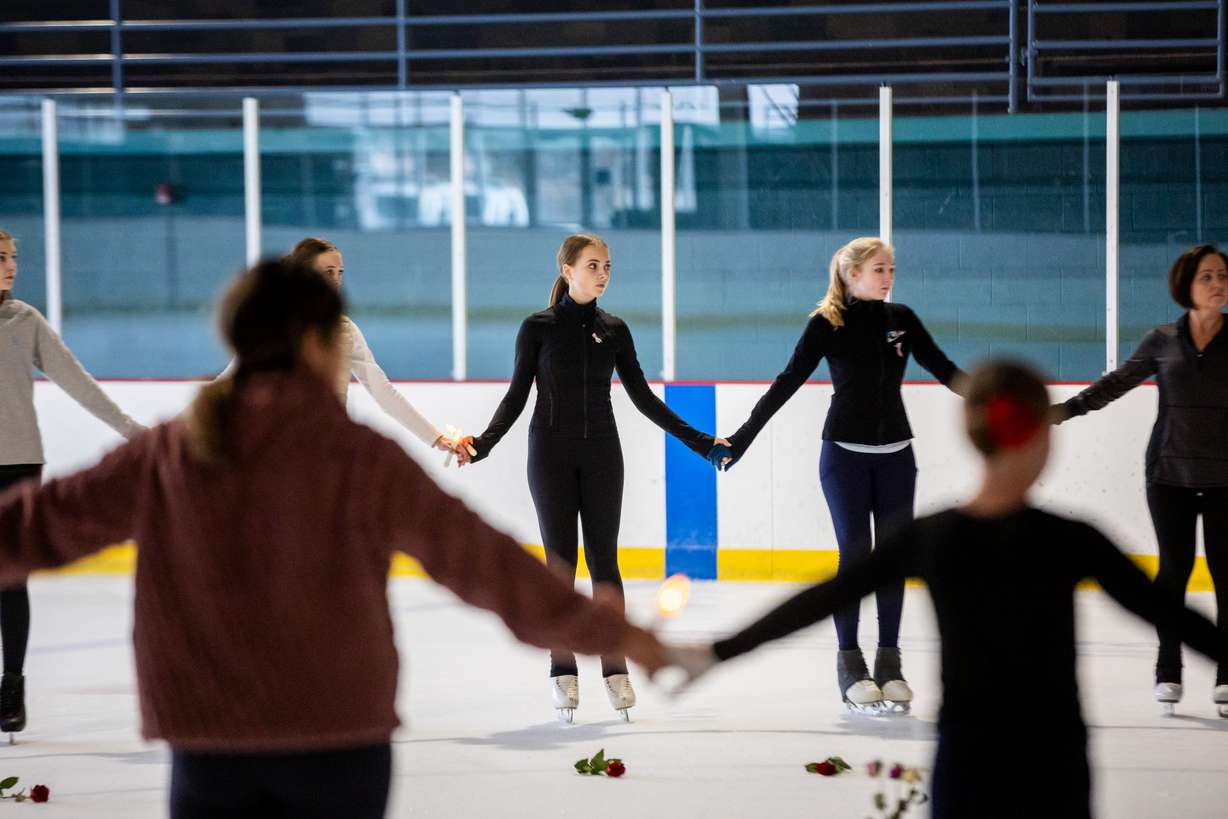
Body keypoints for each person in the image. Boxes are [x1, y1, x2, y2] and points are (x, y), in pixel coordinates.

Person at [0, 257, 665, 818]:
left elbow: (33, 526)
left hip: (209, 745)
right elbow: (481, 561)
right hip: (339, 739)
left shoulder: (172, 452)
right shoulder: (356, 456)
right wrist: (614, 632)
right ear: (320, 343)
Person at [667, 360, 1228, 819]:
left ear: (971, 434)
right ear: (1042, 437)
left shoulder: (933, 537)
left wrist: (717, 652)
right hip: (1053, 761)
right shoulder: (1070, 540)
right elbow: (1171, 613)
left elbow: (822, 598)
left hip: (966, 759)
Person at [456, 233, 725, 723]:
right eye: (593, 265)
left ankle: (615, 666)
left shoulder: (615, 330)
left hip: (603, 453)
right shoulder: (537, 328)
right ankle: (562, 667)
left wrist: (702, 443)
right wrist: (484, 443)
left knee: (605, 561)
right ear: (567, 270)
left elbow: (644, 399)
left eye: (608, 266)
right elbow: (517, 396)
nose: (603, 274)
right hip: (550, 453)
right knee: (561, 565)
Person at [708, 236, 966, 714]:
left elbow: (946, 370)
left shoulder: (901, 320)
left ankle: (890, 663)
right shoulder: (827, 323)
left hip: (896, 456)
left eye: (891, 269)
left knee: (894, 557)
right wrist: (741, 439)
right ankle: (850, 662)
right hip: (844, 456)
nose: (888, 277)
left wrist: (1005, 404)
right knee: (855, 555)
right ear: (851, 274)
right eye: (879, 270)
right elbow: (786, 382)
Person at [1053, 244, 1228, 716]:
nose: (1218, 284)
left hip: (1224, 478)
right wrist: (1063, 411)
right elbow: (1115, 383)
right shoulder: (1162, 340)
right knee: (1174, 572)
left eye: (1222, 276)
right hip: (1168, 474)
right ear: (1186, 285)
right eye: (1207, 276)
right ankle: (1168, 668)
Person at [0, 227, 143, 739]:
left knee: (9, 579)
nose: (12, 266)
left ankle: (11, 686)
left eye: (14, 257)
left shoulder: (25, 320)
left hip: (17, 465)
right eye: (2, 258)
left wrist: (131, 431)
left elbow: (76, 381)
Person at [225, 237, 458, 457]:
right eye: (328, 273)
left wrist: (436, 438)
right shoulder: (274, 328)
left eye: (339, 273)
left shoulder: (345, 330)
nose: (336, 280)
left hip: (328, 455)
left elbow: (382, 390)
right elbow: (232, 382)